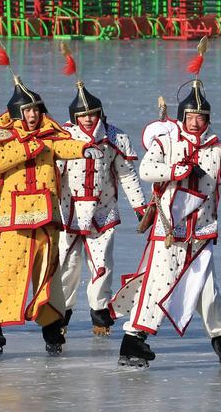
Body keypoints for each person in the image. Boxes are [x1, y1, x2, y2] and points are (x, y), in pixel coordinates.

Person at [111, 45, 221, 368]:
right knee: (158, 284)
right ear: (183, 116)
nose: (196, 121)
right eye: (191, 116)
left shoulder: (215, 146)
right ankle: (133, 341)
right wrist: (177, 170)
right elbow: (145, 171)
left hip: (201, 231)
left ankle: (220, 335)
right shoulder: (167, 142)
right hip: (169, 231)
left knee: (207, 288)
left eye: (201, 116)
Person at [0, 71, 100, 355]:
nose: (33, 116)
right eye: (27, 111)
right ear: (16, 113)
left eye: (36, 110)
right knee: (7, 274)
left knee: (48, 276)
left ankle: (52, 329)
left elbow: (63, 146)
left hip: (46, 219)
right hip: (13, 220)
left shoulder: (49, 137)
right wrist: (27, 147)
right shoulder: (4, 138)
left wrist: (84, 148)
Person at [57, 81, 147, 337]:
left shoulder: (114, 137)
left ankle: (99, 313)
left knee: (102, 265)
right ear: (74, 116)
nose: (87, 119)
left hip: (102, 212)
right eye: (82, 115)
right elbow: (52, 174)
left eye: (92, 113)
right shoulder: (63, 137)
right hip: (68, 212)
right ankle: (61, 315)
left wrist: (140, 207)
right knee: (67, 265)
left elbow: (127, 175)